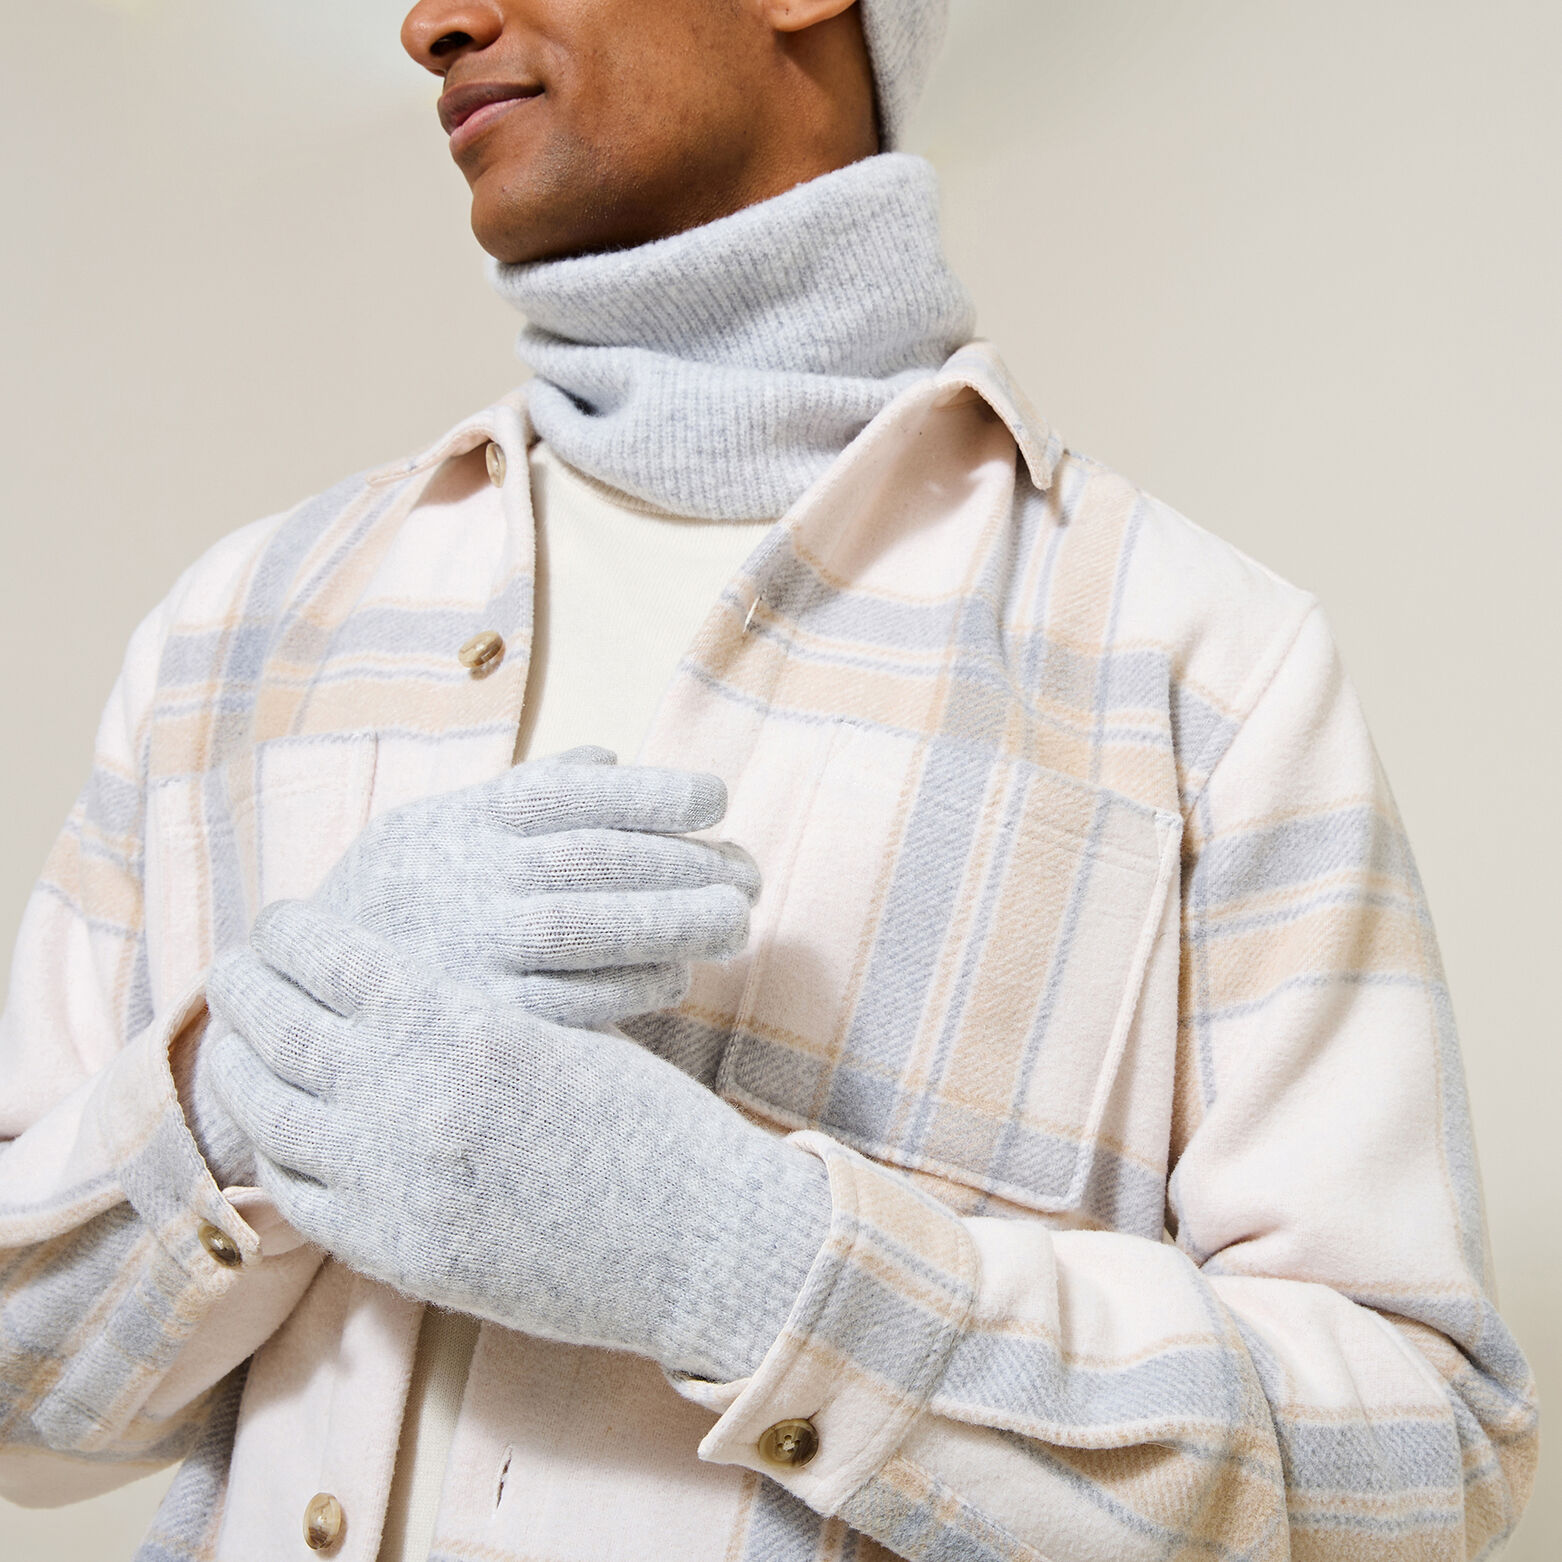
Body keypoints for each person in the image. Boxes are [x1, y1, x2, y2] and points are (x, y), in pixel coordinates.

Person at [0, 1, 1539, 1559]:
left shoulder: (1200, 674)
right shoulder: (239, 629)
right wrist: (252, 1084)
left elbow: (1423, 1476)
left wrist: (741, 1261)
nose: (428, 23)